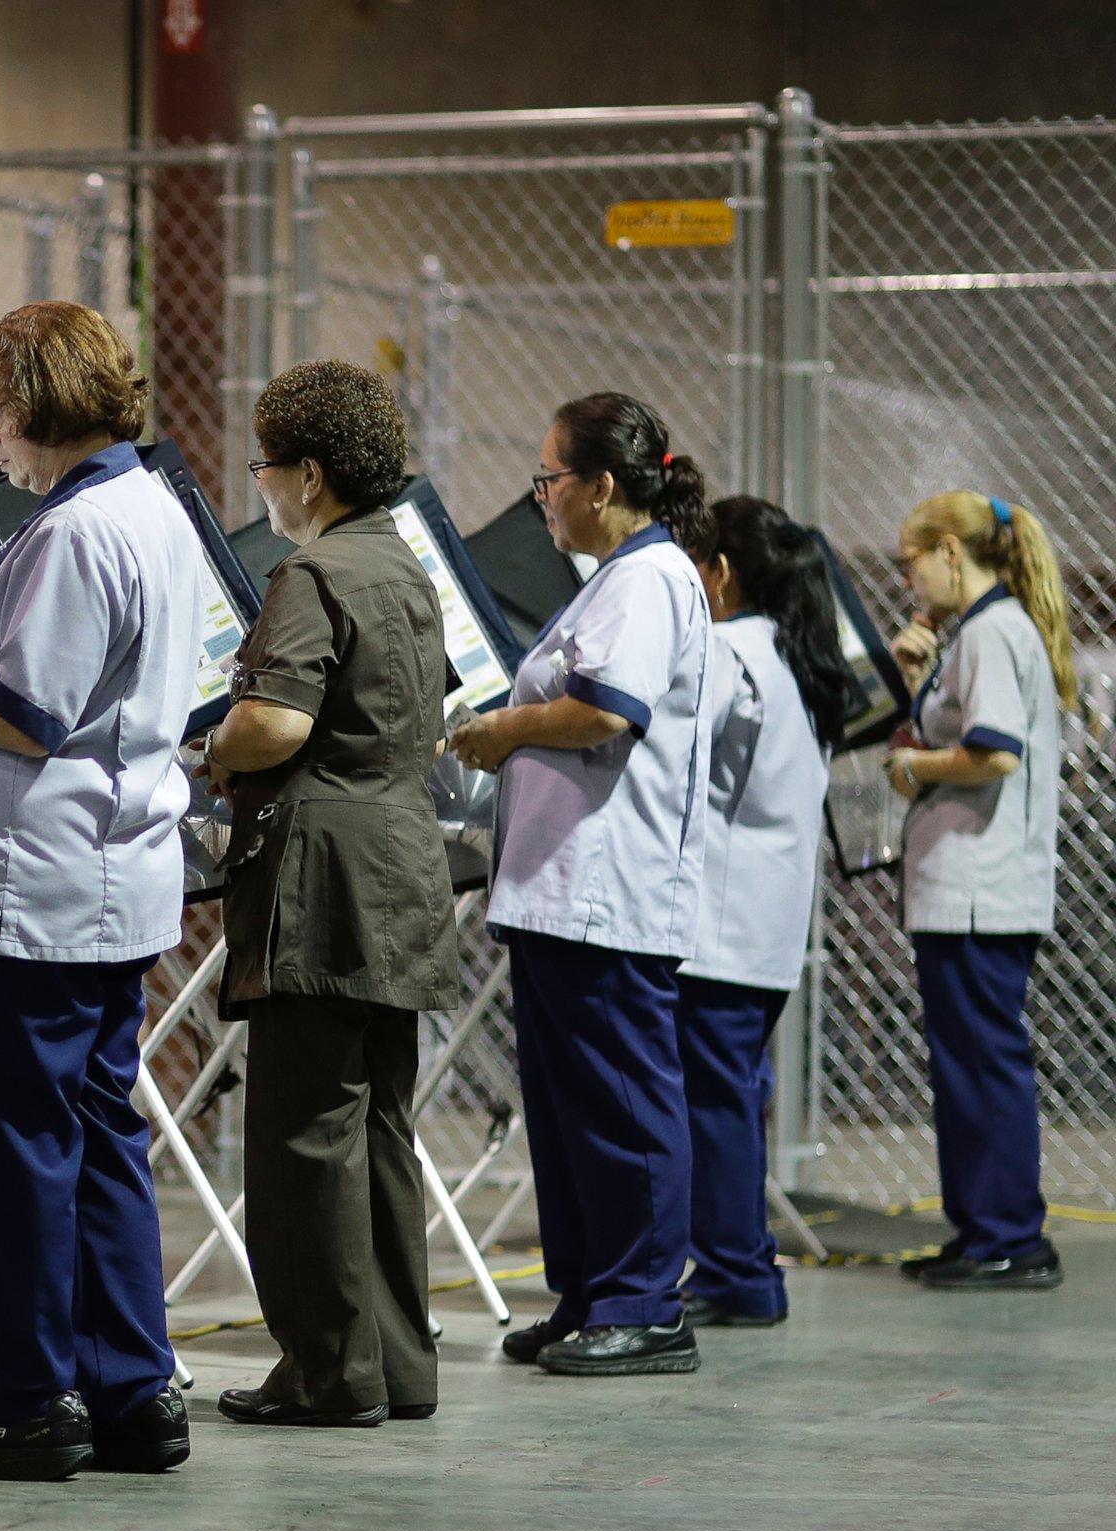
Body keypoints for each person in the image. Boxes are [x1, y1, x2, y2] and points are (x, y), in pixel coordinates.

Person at [0, 301, 201, 1480]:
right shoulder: (148, 509)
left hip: (31, 887)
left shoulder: (76, 532)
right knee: (95, 1135)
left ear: (27, 405)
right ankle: (131, 1388)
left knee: (8, 1148)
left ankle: (23, 1397)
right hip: (109, 880)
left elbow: (23, 716)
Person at [205, 359, 460, 1429]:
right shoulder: (403, 568)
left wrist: (211, 745)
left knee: (305, 1134)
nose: (262, 486)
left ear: (308, 473)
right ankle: (397, 1366)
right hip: (401, 873)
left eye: (265, 467)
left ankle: (325, 1372)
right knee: (381, 1130)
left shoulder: (311, 574)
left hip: (322, 879)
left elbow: (277, 723)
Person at [449, 392, 721, 1378]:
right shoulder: (610, 579)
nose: (541, 498)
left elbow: (606, 711)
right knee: (566, 1111)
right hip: (560, 891)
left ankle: (646, 1302)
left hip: (608, 891)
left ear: (601, 486)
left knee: (620, 1102)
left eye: (549, 480)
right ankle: (590, 1293)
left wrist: (502, 729)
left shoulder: (647, 580)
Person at [882, 491, 1075, 1290]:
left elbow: (993, 752)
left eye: (913, 563)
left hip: (978, 890)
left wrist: (916, 766)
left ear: (951, 553)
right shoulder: (978, 636)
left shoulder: (994, 631)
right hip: (965, 889)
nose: (911, 581)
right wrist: (918, 685)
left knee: (984, 1063)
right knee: (966, 1064)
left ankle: (1008, 1236)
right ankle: (981, 1229)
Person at [673, 498, 844, 1330]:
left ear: (722, 572)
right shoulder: (801, 657)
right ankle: (739, 1264)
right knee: (737, 1096)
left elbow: (670, 750)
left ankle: (737, 1274)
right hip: (766, 927)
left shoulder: (726, 650)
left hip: (717, 926)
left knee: (715, 1104)